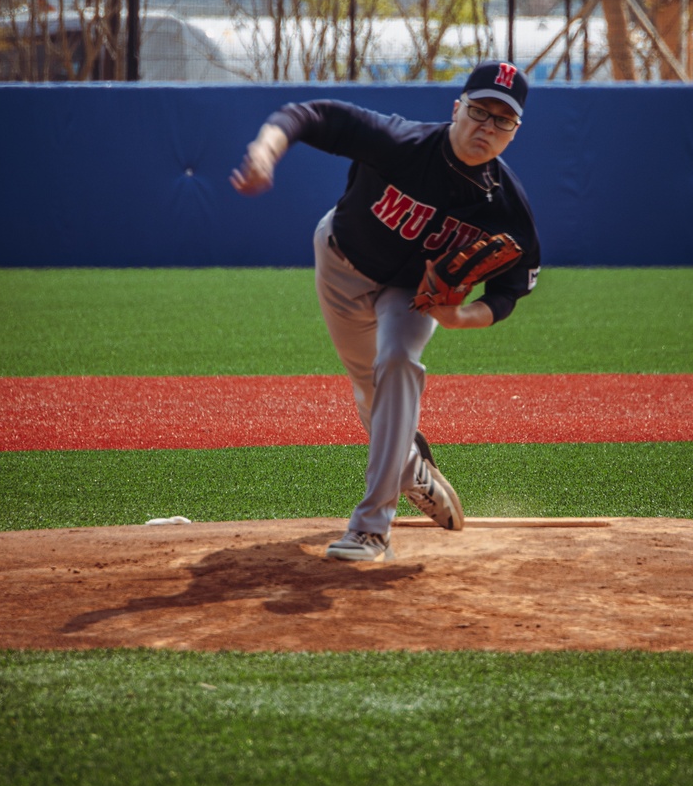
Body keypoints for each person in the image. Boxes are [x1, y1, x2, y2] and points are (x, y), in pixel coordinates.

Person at [230, 60, 541, 562]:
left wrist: (462, 316)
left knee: (397, 361)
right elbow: (311, 115)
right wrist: (266, 151)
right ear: (457, 108)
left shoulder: (506, 206)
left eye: (501, 120)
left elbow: (510, 289)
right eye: (479, 111)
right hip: (342, 264)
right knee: (371, 392)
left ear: (515, 131)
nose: (486, 127)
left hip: (413, 293)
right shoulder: (403, 143)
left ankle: (372, 528)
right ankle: (409, 465)